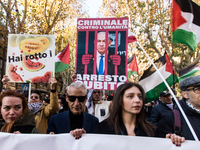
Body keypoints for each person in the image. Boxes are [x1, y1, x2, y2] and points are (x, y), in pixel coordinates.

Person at [157, 75, 200, 142]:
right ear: (185, 94)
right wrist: (170, 139)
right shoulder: (171, 118)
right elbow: (159, 143)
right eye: (198, 89)